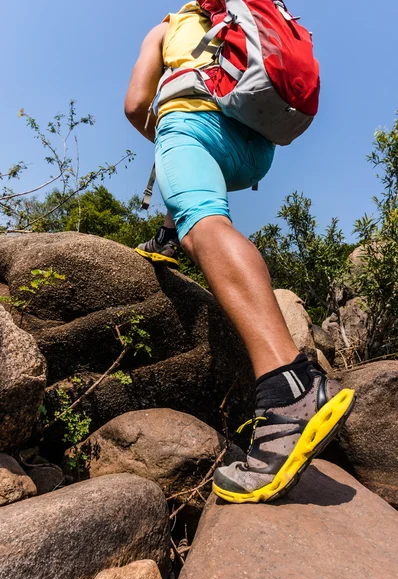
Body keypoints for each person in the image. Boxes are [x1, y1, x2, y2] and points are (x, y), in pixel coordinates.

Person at [124, 2, 355, 503]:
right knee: (191, 213)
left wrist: (169, 134)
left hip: (195, 119)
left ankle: (288, 388)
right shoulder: (237, 15)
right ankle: (167, 235)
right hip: (255, 148)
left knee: (204, 221)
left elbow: (134, 102)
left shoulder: (168, 25)